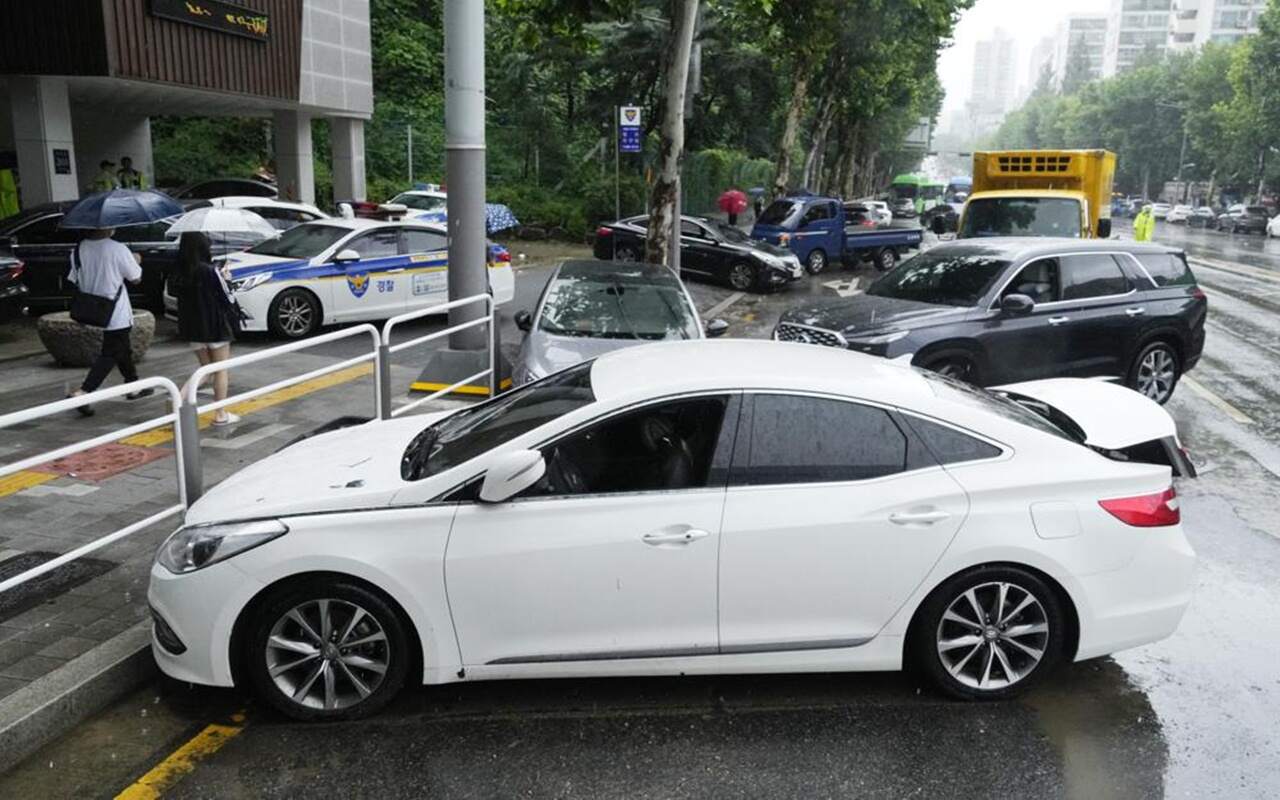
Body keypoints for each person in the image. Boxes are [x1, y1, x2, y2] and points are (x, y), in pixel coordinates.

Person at [67, 228, 150, 416]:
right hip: (115, 311)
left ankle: (133, 385)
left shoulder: (78, 249)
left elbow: (74, 278)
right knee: (111, 352)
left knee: (122, 348)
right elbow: (136, 278)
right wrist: (136, 260)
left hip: (91, 308)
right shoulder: (118, 249)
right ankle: (83, 392)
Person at [174, 232, 241, 427]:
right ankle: (220, 414)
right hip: (215, 326)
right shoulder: (209, 271)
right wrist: (225, 278)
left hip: (193, 328)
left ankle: (178, 398)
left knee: (205, 370)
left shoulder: (180, 271)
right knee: (220, 370)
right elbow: (227, 298)